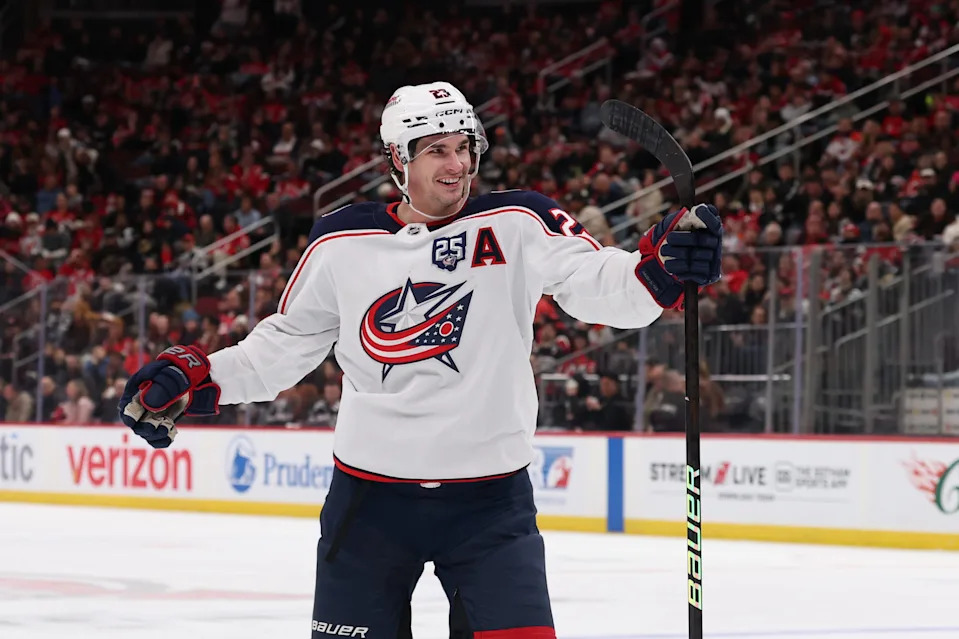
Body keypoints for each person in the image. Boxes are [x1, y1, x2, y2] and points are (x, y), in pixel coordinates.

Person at [118, 81, 723, 638]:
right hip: (369, 505)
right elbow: (283, 345)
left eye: (464, 147)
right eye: (436, 149)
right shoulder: (341, 242)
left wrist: (660, 267)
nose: (457, 164)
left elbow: (597, 281)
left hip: (491, 505)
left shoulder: (518, 221)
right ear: (398, 161)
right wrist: (198, 377)